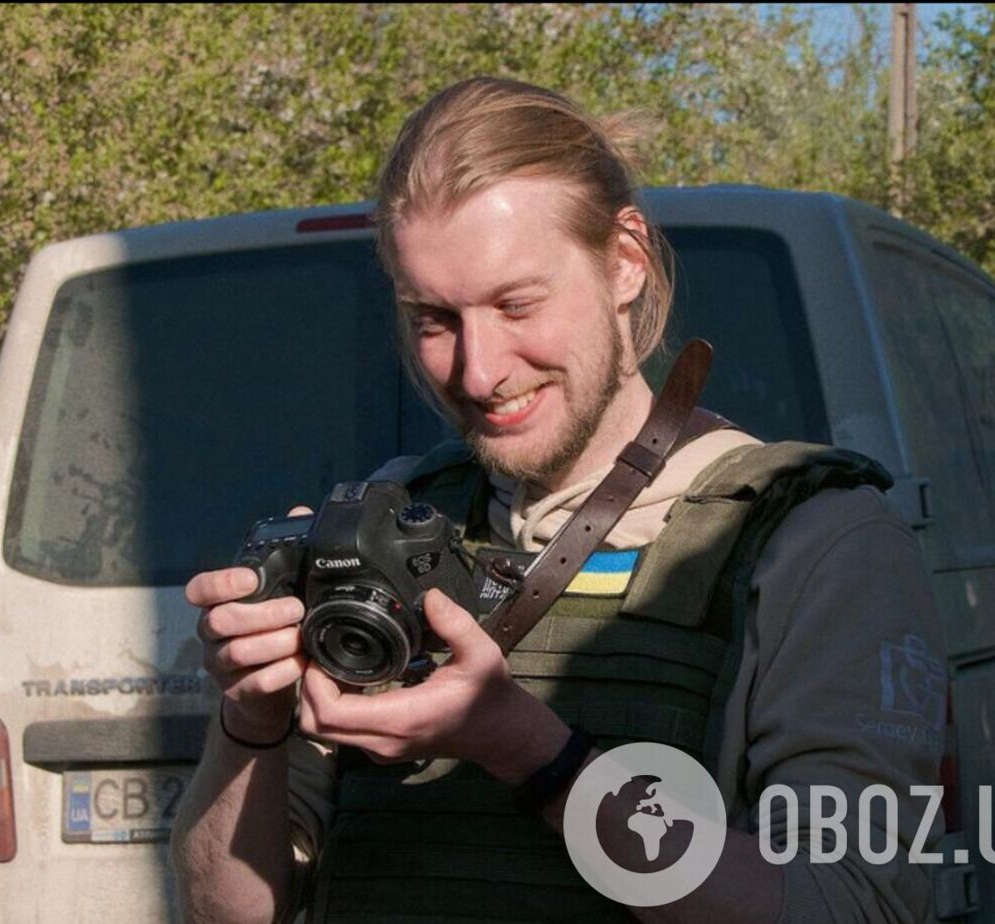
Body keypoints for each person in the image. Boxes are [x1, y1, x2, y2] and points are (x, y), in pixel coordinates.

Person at [171, 77, 945, 924]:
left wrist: (521, 744)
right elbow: (232, 914)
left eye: (517, 304)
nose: (478, 370)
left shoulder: (813, 539)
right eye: (433, 319)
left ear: (625, 261)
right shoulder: (386, 528)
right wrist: (250, 724)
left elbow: (849, 906)